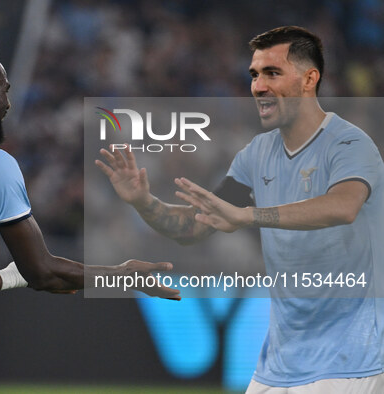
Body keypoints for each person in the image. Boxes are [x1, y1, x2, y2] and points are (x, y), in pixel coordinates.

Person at [0, 35, 180, 394]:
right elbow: (43, 272)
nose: (8, 102)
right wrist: (123, 276)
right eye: (4, 90)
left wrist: (10, 277)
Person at [96, 26, 384, 393]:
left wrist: (250, 215)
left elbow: (344, 207)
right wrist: (143, 201)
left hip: (349, 359)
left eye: (272, 73)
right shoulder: (256, 155)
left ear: (310, 79)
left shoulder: (349, 144)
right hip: (279, 363)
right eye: (255, 74)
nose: (258, 86)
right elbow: (195, 227)